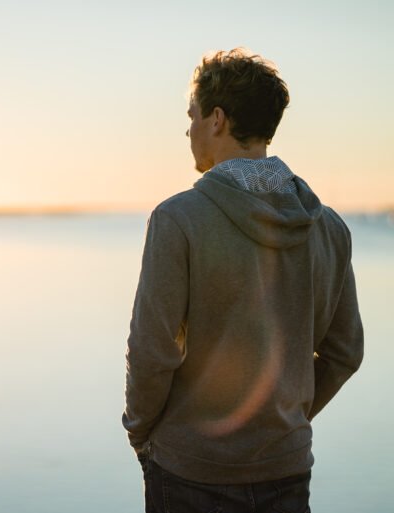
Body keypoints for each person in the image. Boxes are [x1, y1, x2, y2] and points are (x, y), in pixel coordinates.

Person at [122, 48, 364, 513]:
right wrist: (284, 418)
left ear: (217, 119)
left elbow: (151, 351)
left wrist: (143, 436)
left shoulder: (178, 219)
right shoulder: (329, 227)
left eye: (190, 116)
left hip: (189, 469)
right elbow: (345, 351)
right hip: (286, 466)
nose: (186, 129)